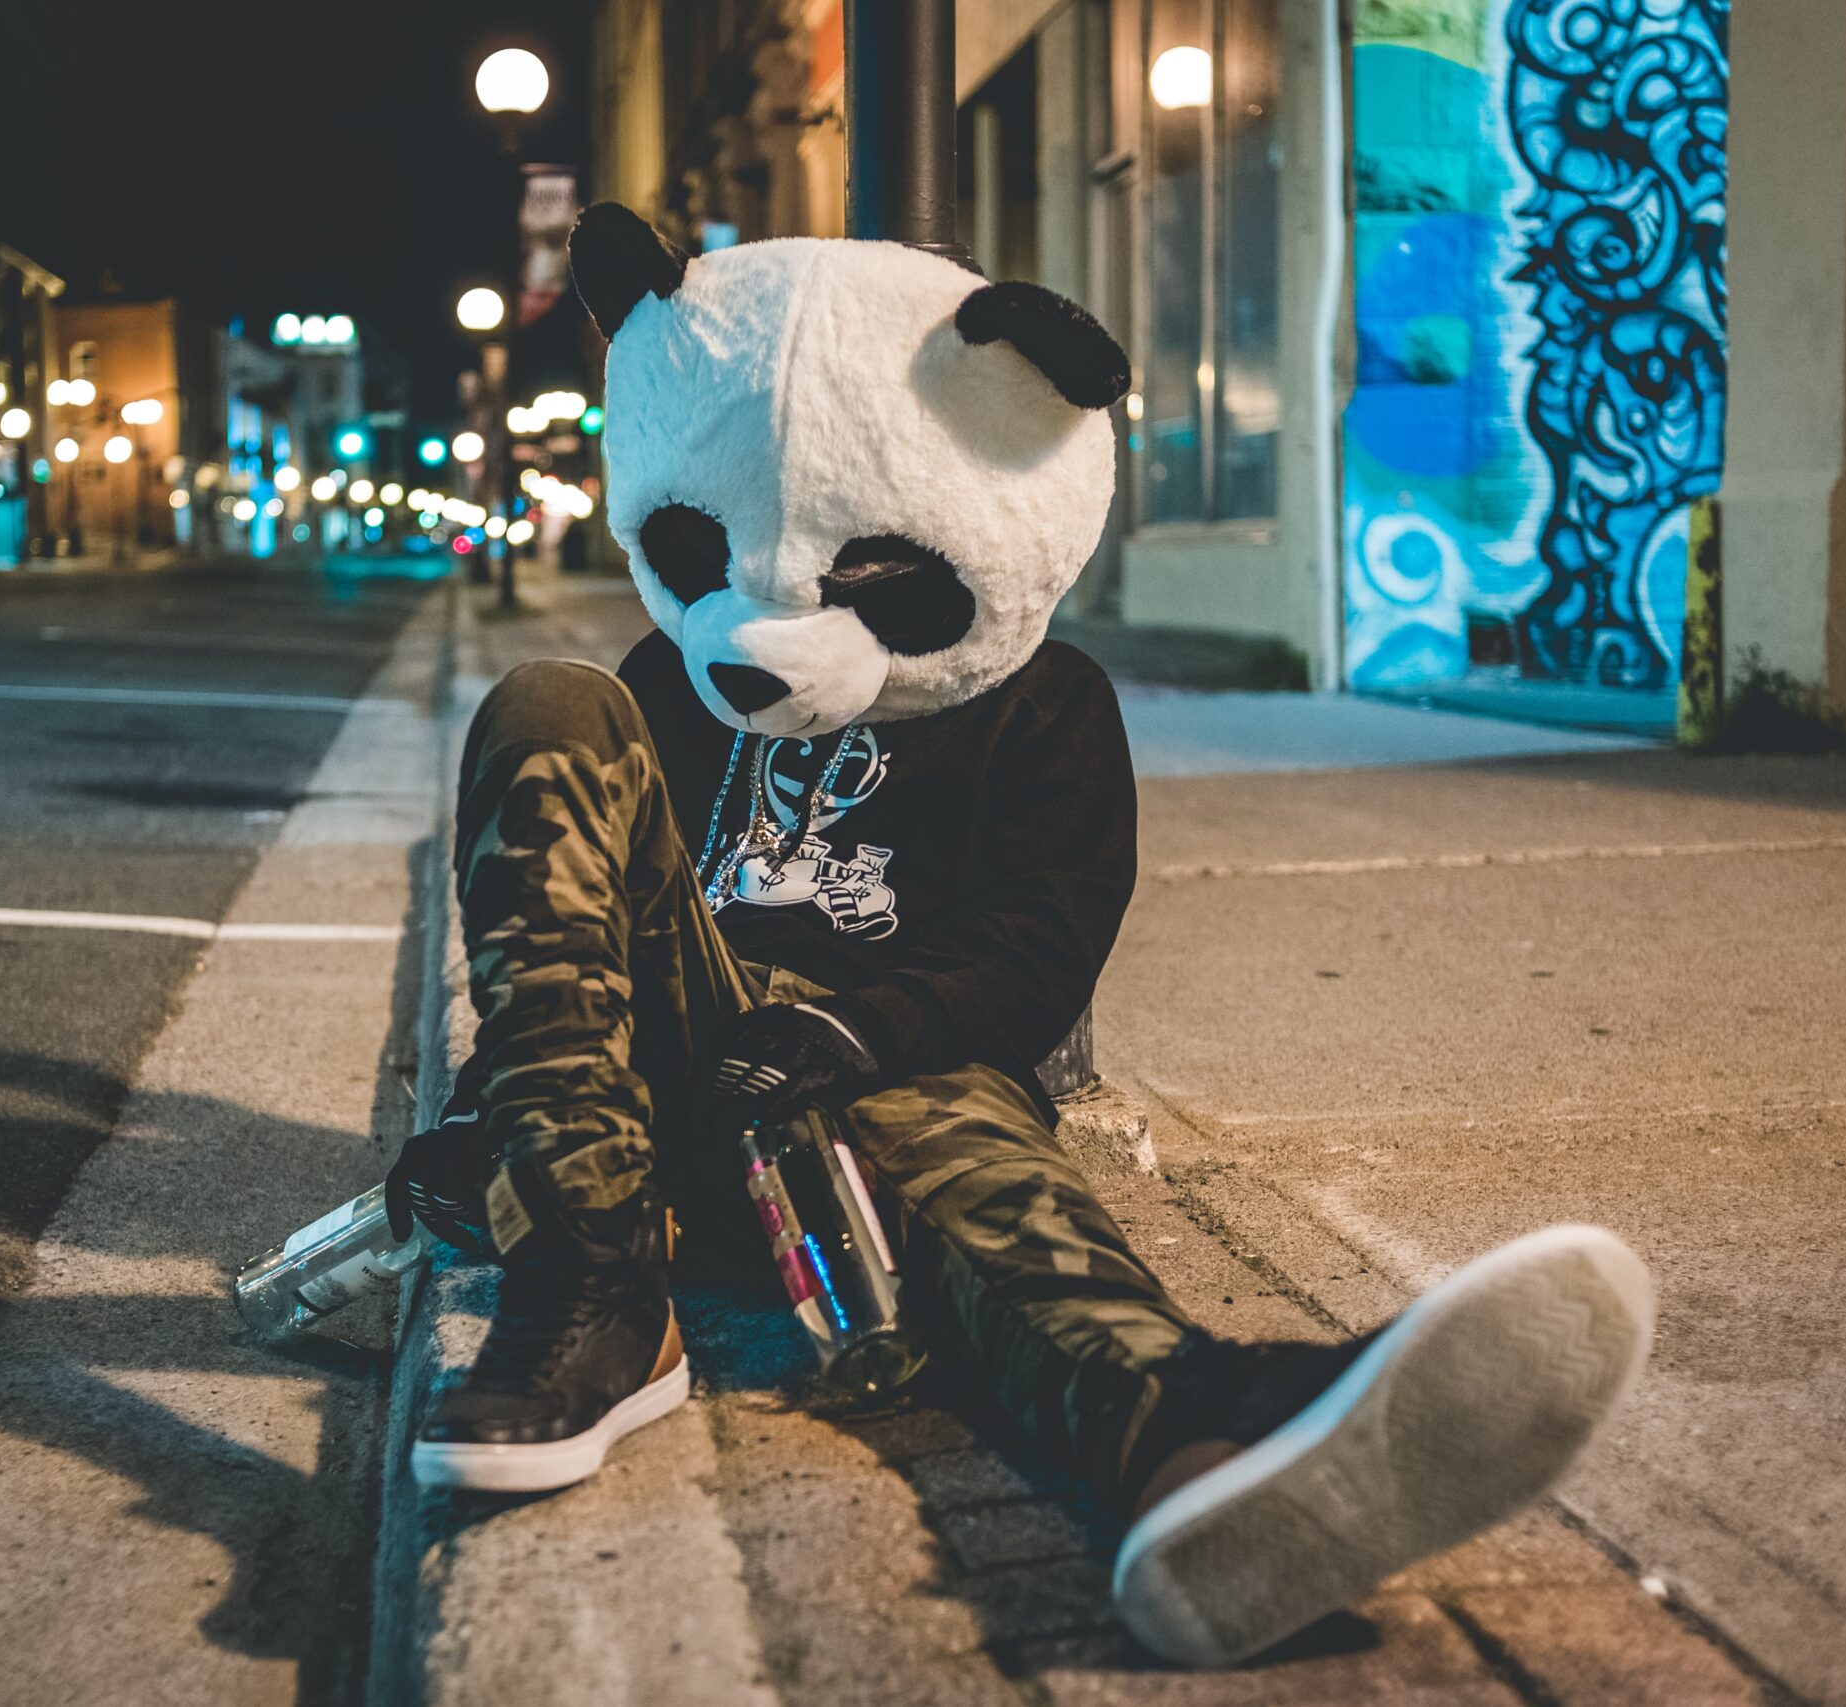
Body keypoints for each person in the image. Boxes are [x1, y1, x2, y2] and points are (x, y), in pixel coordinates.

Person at [385, 205, 1653, 1669]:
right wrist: (505, 1106)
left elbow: (1041, 946)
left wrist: (863, 1030)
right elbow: (576, 914)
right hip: (658, 1101)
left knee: (1010, 1227)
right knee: (545, 704)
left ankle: (1195, 1460)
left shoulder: (1046, 708)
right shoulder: (665, 684)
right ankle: (595, 1301)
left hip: (886, 1079)